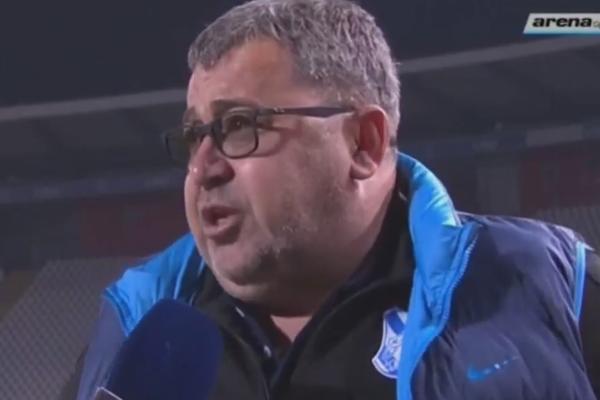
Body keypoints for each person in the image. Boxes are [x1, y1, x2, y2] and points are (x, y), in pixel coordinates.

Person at [74, 0, 600, 399]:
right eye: (195, 136)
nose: (202, 168)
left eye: (238, 125)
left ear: (363, 144)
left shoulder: (546, 289)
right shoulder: (136, 323)